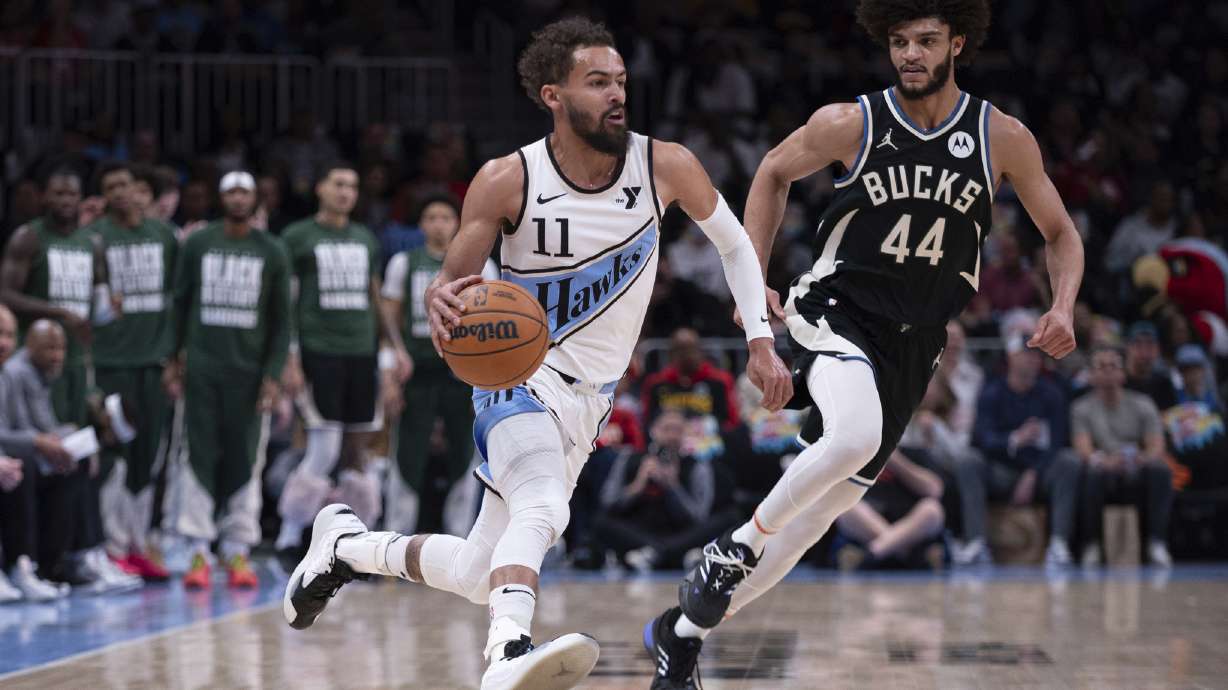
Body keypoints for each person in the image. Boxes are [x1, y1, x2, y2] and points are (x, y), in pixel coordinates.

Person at [282, 18, 790, 690]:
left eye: (621, 82)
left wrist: (758, 337)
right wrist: (442, 300)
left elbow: (731, 244)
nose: (617, 95)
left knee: (475, 571)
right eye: (597, 82)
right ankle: (506, 651)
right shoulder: (506, 179)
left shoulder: (664, 164)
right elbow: (452, 285)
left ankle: (346, 546)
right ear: (553, 95)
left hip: (591, 399)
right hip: (515, 376)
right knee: (547, 510)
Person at [644, 2, 1085, 686]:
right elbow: (771, 172)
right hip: (837, 311)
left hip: (916, 345)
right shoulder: (851, 121)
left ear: (957, 44)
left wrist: (1062, 304)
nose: (910, 53)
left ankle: (679, 635)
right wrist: (753, 281)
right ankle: (732, 546)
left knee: (817, 520)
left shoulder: (1003, 137)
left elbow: (1060, 232)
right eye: (900, 41)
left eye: (927, 41)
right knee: (850, 438)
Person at [273, 163, 410, 560]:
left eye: (352, 185)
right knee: (324, 448)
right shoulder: (298, 237)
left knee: (358, 452)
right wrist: (291, 359)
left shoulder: (365, 238)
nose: (346, 192)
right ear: (320, 189)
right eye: (338, 184)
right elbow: (288, 303)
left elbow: (375, 298)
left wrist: (394, 349)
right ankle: (288, 535)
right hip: (319, 352)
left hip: (362, 354)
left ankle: (357, 542)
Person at [162, 171, 291, 590]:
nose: (238, 199)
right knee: (194, 457)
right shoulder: (198, 243)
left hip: (250, 376)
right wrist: (172, 358)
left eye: (245, 192)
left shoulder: (272, 250)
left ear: (256, 199)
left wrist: (273, 374)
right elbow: (179, 304)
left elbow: (280, 322)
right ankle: (197, 550)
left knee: (246, 460)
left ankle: (237, 550)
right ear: (221, 198)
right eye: (231, 192)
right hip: (202, 370)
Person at [380, 195, 496, 536]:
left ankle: (460, 541)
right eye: (431, 217)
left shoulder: (481, 266)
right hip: (417, 371)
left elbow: (493, 325)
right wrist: (390, 368)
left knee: (465, 457)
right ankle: (395, 539)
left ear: (457, 224)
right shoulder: (404, 262)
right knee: (406, 458)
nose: (438, 224)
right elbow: (389, 321)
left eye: (445, 217)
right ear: (421, 225)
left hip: (463, 372)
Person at [85, 161, 178, 581]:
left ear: (142, 191)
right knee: (115, 456)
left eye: (127, 185)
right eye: (111, 186)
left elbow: (179, 299)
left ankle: (138, 543)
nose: (121, 192)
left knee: (149, 458)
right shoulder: (95, 237)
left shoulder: (163, 235)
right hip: (110, 364)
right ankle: (111, 546)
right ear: (104, 195)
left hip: (153, 364)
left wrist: (175, 359)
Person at [954, 334, 1080, 566]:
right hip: (1000, 471)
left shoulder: (1051, 394)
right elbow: (982, 439)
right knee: (967, 460)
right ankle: (975, 542)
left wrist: (1033, 474)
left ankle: (1059, 544)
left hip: (1039, 474)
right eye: (1027, 354)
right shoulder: (992, 392)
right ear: (1011, 358)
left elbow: (1057, 443)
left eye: (1036, 356)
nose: (1033, 360)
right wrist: (1013, 439)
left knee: (1069, 461)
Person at [1073, 346, 1173, 567]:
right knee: (1091, 472)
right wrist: (1103, 461)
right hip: (1103, 469)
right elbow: (1083, 448)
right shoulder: (1081, 408)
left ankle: (1157, 543)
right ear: (1091, 375)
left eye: (1113, 366)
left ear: (1122, 373)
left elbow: (1156, 445)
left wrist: (1142, 459)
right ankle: (1092, 544)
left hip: (1136, 467)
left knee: (1161, 469)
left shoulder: (1143, 404)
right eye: (1101, 367)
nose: (1108, 372)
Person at [0, 307, 75, 601]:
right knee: (23, 464)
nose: (3, 342)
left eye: (8, 334)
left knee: (56, 465)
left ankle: (33, 566)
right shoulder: (18, 373)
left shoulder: (6, 374)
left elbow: (22, 428)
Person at [592, 410, 716, 571]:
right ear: (654, 431)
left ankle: (653, 554)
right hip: (638, 532)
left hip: (678, 533)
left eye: (677, 430)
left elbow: (699, 517)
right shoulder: (629, 458)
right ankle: (668, 554)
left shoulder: (697, 466)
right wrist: (637, 485)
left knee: (729, 517)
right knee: (599, 521)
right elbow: (607, 502)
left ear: (685, 433)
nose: (672, 435)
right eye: (667, 429)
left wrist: (673, 486)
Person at [833, 449, 946, 571]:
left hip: (911, 524)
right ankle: (910, 555)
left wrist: (895, 461)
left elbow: (935, 490)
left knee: (932, 509)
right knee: (846, 508)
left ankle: (871, 554)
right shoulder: (858, 455)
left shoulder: (915, 452)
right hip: (869, 524)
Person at [640, 327, 740, 431]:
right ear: (672, 354)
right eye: (681, 350)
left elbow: (731, 422)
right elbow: (647, 422)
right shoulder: (656, 383)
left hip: (709, 441)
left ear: (699, 351)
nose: (686, 355)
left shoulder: (720, 381)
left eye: (690, 349)